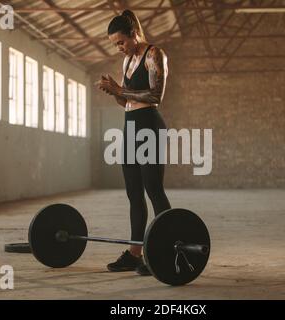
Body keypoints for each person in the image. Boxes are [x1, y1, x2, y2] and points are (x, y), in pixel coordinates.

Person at [96, 10, 171, 276]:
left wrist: (121, 90)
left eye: (121, 42)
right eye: (115, 44)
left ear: (134, 34)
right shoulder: (127, 62)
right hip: (130, 127)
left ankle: (165, 250)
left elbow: (155, 96)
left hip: (150, 127)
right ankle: (135, 254)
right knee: (134, 195)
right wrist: (114, 90)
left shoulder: (154, 54)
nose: (119, 48)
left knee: (154, 190)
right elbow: (127, 101)